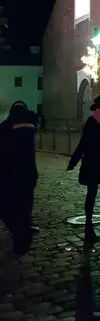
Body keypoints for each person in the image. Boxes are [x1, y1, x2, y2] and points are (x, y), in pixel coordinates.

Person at [67, 93, 100, 243]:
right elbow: (83, 143)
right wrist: (73, 161)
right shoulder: (92, 121)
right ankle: (88, 225)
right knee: (92, 193)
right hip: (93, 162)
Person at [0, 102, 38, 254]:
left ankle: (20, 236)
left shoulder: (6, 130)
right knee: (25, 208)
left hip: (9, 176)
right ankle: (23, 236)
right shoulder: (29, 130)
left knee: (8, 210)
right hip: (28, 175)